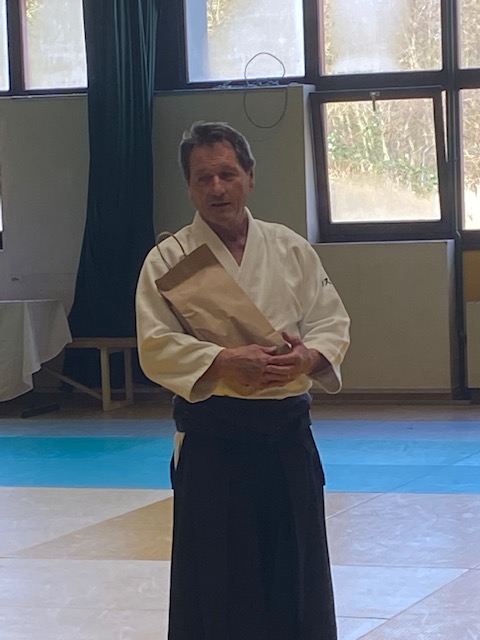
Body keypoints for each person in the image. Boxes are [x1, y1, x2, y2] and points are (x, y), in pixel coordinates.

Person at [135, 121, 350, 640]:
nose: (217, 188)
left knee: (295, 563)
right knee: (215, 571)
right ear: (189, 186)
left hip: (286, 432)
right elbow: (155, 345)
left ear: (250, 177)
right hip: (214, 434)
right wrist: (222, 360)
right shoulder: (169, 259)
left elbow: (331, 320)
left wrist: (307, 357)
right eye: (203, 178)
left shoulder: (289, 247)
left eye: (227, 174)